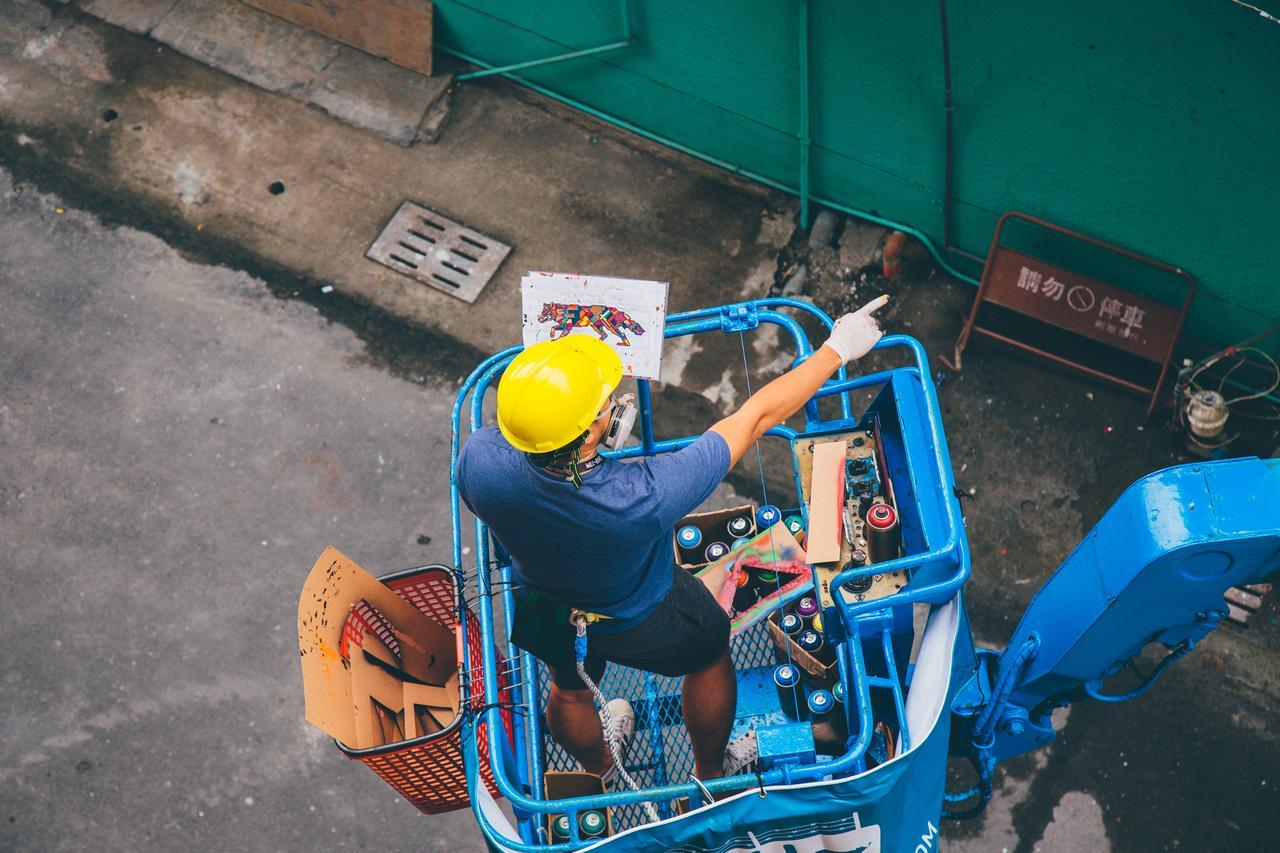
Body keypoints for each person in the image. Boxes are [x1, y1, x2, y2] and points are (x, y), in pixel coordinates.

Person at [457, 296, 887, 787]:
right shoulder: (642, 497)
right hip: (638, 614)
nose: (615, 403)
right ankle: (709, 773)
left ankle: (599, 770)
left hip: (541, 600)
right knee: (710, 652)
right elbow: (756, 418)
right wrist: (836, 349)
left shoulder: (480, 458)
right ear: (595, 430)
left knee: (568, 689)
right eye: (605, 403)